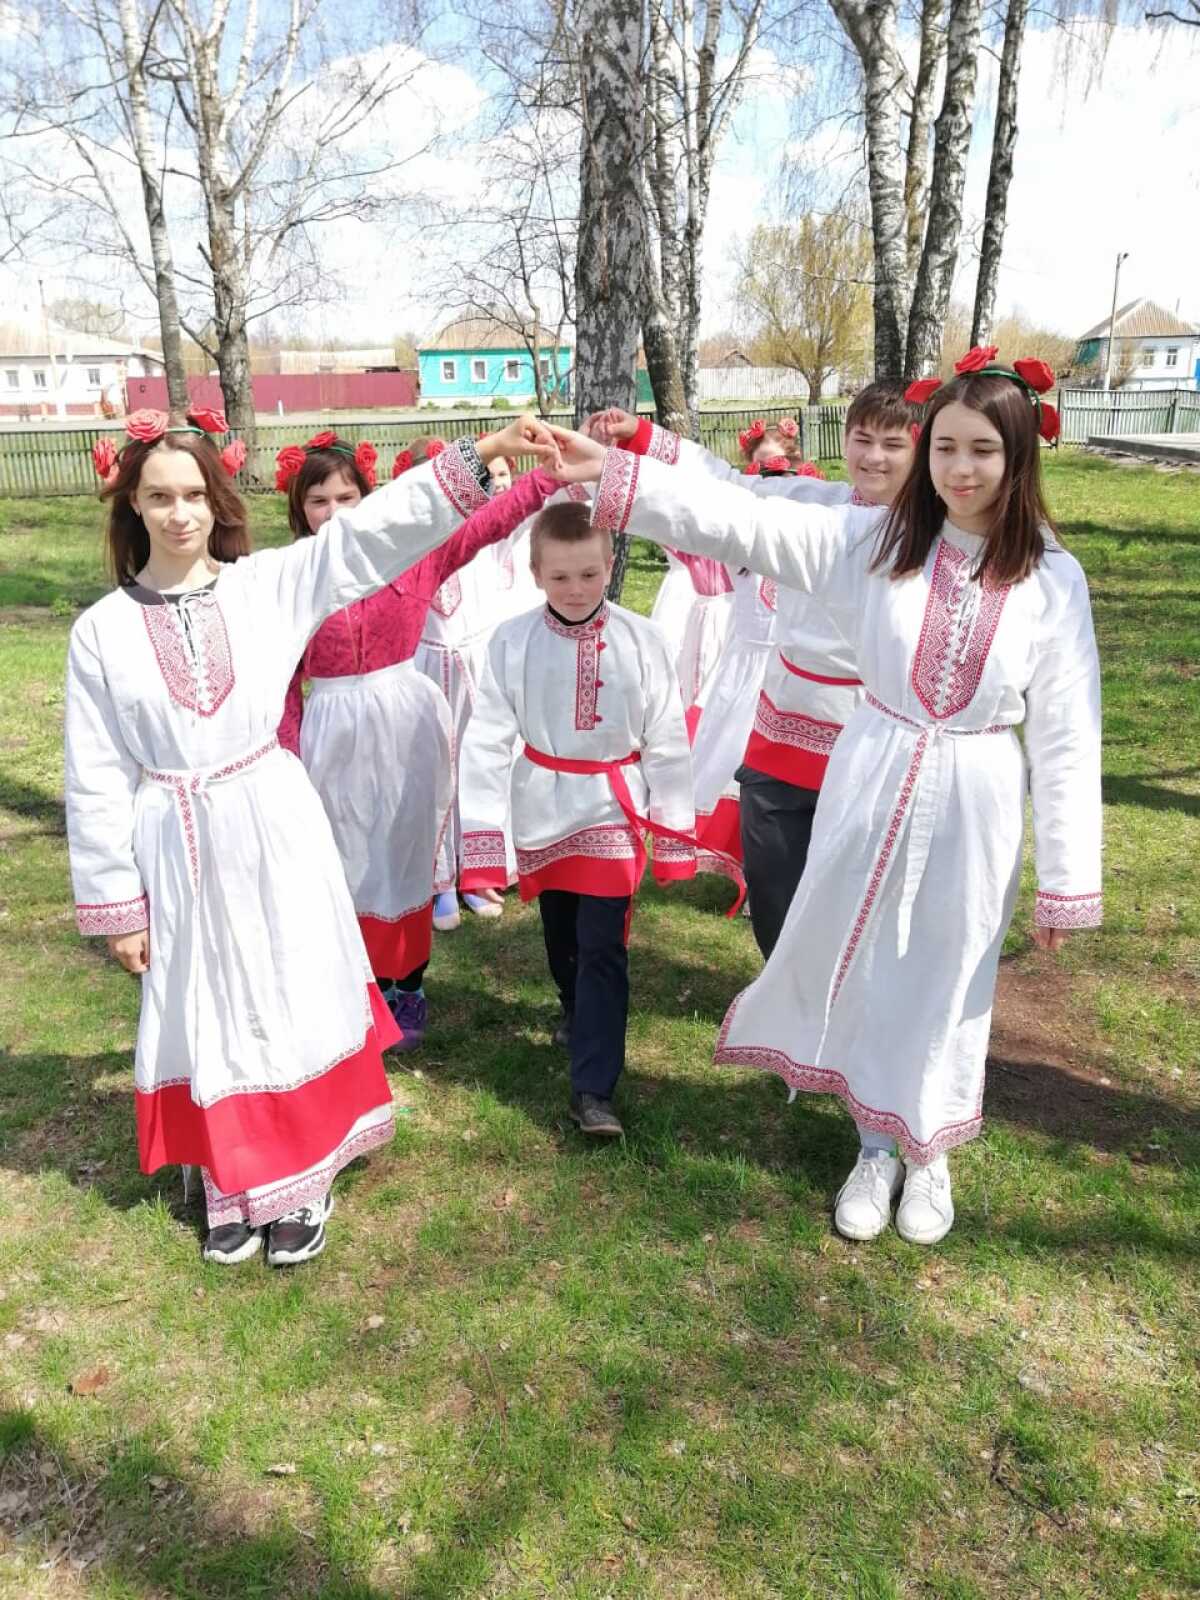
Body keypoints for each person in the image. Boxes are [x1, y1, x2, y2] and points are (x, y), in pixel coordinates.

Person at [552, 354, 1100, 1245]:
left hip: (978, 798)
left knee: (951, 971)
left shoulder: (1052, 581)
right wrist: (618, 474)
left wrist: (1069, 877)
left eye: (982, 450)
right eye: (946, 448)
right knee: (867, 957)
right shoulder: (874, 545)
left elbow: (1070, 734)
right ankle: (874, 1143)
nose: (961, 470)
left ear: (1018, 457)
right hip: (874, 773)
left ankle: (930, 1152)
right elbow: (739, 518)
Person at [64, 407, 556, 1267]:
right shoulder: (100, 630)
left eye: (193, 495)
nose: (179, 513)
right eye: (160, 497)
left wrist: (485, 451)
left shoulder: (268, 585)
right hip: (177, 836)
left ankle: (303, 1177)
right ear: (132, 504)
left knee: (288, 983)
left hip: (270, 817)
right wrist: (118, 903)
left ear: (217, 501)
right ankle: (227, 1175)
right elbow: (95, 773)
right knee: (206, 996)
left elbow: (375, 531)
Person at [591, 384, 919, 948]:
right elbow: (725, 488)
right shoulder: (812, 501)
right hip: (781, 736)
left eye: (893, 444)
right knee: (776, 902)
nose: (873, 457)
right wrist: (643, 438)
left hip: (870, 742)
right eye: (862, 439)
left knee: (861, 915)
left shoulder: (936, 538)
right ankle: (784, 995)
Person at [277, 432, 560, 1051]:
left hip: (405, 722)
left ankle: (409, 984)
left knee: (404, 854)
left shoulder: (411, 556)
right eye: (319, 501)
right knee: (346, 859)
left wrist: (548, 479)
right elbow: (282, 681)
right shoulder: (290, 577)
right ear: (299, 508)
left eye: (346, 497)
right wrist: (287, 759)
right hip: (332, 731)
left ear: (369, 498)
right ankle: (361, 986)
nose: (334, 512)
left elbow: (484, 525)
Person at [456, 500, 698, 1138]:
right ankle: (572, 1004)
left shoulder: (643, 640)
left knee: (602, 945)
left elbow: (667, 738)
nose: (575, 589)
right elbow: (485, 741)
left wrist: (675, 830)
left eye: (589, 574)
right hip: (542, 803)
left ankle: (594, 1088)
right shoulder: (512, 641)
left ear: (610, 565)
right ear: (535, 572)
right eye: (560, 576)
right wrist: (482, 843)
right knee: (562, 931)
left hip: (612, 807)